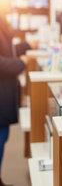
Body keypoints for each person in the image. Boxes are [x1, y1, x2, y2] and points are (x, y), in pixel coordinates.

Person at [0, 12, 33, 186]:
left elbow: (7, 50)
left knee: (3, 136)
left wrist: (27, 45)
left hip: (5, 93)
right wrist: (21, 62)